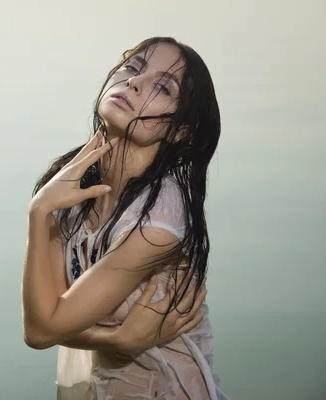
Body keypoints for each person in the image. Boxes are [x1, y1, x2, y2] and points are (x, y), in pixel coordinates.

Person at [21, 37, 229, 399]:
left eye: (162, 87)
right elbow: (41, 320)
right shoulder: (72, 187)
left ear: (179, 132)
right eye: (133, 67)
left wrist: (39, 216)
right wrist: (118, 339)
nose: (134, 81)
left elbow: (43, 330)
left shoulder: (160, 219)